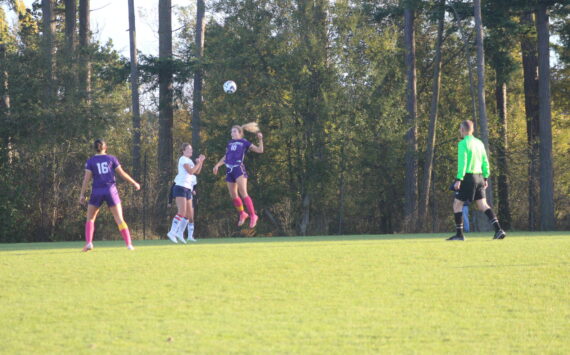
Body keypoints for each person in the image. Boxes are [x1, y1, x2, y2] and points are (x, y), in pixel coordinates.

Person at [448, 120, 506, 241]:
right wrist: (485, 177)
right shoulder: (479, 143)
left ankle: (459, 235)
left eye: (460, 128)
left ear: (463, 130)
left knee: (457, 204)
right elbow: (485, 161)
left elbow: (462, 162)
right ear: (472, 130)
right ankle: (498, 229)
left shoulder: (463, 144)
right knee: (482, 205)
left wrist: (459, 179)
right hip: (479, 176)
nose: (459, 130)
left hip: (468, 177)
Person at [79, 139, 141, 251]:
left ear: (95, 148)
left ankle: (89, 243)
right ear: (105, 147)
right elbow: (122, 174)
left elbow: (86, 180)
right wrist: (134, 182)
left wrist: (82, 194)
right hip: (110, 191)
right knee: (119, 219)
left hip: (97, 192)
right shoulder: (111, 159)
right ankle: (129, 245)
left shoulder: (91, 161)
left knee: (90, 218)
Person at [213, 123, 264, 228]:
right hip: (229, 169)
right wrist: (217, 165)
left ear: (240, 133)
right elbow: (226, 157)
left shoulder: (244, 142)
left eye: (234, 131)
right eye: (231, 132)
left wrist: (260, 140)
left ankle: (253, 215)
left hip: (238, 168)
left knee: (243, 193)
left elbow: (260, 150)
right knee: (233, 195)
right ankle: (242, 213)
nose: (232, 133)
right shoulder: (230, 143)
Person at [167, 143, 205, 243]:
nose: (191, 151)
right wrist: (198, 163)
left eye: (191, 149)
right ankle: (172, 232)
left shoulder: (189, 160)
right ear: (183, 151)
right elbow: (191, 171)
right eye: (188, 149)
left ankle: (179, 233)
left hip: (188, 188)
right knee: (182, 212)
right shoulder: (183, 159)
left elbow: (197, 172)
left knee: (188, 215)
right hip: (180, 187)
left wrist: (200, 162)